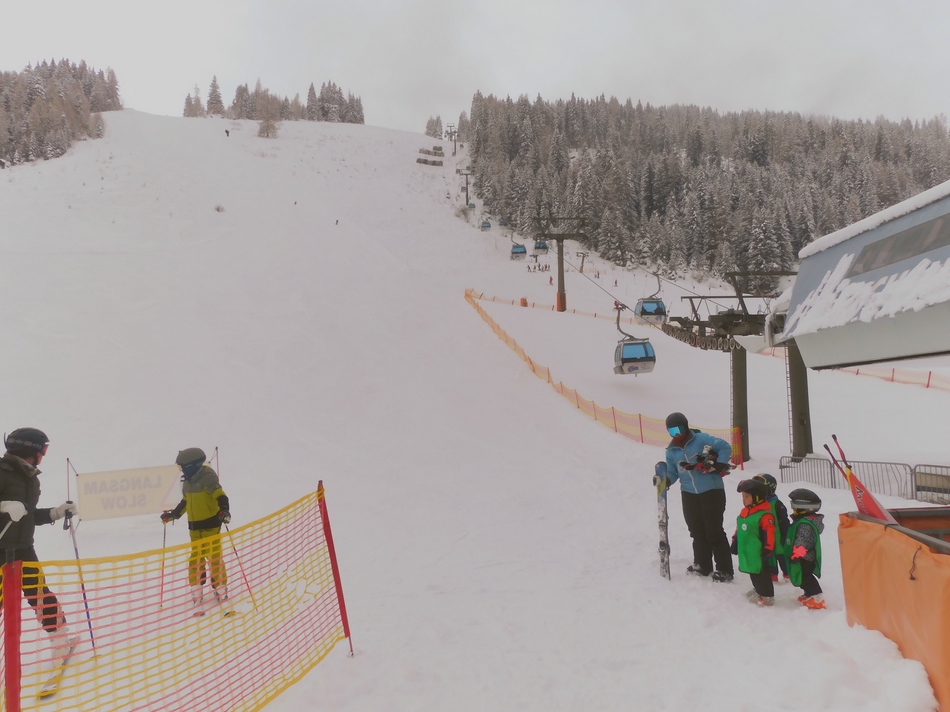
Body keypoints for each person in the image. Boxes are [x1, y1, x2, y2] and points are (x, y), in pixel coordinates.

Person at [0, 428, 79, 667]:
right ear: (29, 450)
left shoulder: (31, 478)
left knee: (40, 594)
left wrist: (55, 512)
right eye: (42, 450)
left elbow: (27, 515)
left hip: (23, 548)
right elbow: (11, 510)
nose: (44, 455)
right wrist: (3, 506)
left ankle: (60, 642)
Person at [661, 412, 735, 582]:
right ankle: (703, 564)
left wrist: (720, 464)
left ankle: (725, 569)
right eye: (671, 432)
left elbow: (724, 446)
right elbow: (673, 471)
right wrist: (665, 481)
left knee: (713, 531)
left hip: (711, 491)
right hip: (688, 494)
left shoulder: (701, 439)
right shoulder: (671, 451)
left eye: (678, 430)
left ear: (686, 427)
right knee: (696, 530)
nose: (676, 435)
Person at [161, 448, 231, 614]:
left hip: (211, 525)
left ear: (191, 465)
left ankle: (220, 586)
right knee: (196, 558)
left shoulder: (207, 478)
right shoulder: (188, 481)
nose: (181, 470)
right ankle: (196, 588)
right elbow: (186, 501)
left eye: (182, 467)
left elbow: (220, 495)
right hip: (194, 526)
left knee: (214, 556)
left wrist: (224, 510)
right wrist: (174, 514)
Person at [732, 479, 776, 606]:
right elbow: (740, 527)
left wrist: (768, 548)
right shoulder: (744, 512)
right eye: (743, 496)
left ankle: (767, 596)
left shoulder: (764, 515)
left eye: (747, 496)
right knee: (753, 572)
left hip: (759, 551)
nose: (743, 499)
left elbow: (769, 533)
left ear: (757, 497)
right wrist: (735, 541)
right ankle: (759, 590)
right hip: (748, 551)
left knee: (761, 574)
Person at [786, 488, 825, 610]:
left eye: (794, 505)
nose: (792, 508)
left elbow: (803, 541)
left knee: (805, 577)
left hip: (804, 556)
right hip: (805, 555)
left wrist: (797, 554)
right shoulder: (803, 521)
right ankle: (809, 594)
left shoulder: (805, 524)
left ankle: (817, 597)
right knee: (803, 576)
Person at [753, 474, 790, 582]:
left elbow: (784, 520)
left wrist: (786, 533)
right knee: (769, 556)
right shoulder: (758, 505)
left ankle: (787, 572)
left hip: (778, 536)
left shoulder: (776, 504)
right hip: (766, 536)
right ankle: (772, 573)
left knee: (781, 554)